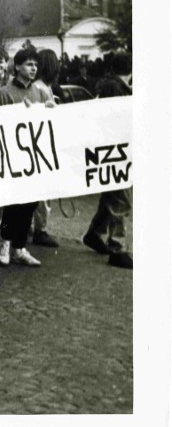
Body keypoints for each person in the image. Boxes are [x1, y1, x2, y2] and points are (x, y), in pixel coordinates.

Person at [0, 49, 54, 268]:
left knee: (30, 203)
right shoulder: (4, 93)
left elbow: (51, 120)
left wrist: (49, 110)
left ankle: (20, 247)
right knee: (14, 203)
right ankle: (5, 243)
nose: (33, 68)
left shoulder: (40, 92)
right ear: (17, 67)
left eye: (35, 65)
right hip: (13, 156)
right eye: (28, 64)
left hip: (35, 156)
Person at [82, 52, 133, 269]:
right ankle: (117, 247)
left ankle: (95, 234)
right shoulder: (116, 88)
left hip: (112, 150)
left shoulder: (111, 86)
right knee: (121, 199)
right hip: (115, 150)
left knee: (112, 196)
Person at [29, 49, 62, 249]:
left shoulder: (41, 87)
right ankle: (40, 229)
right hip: (42, 145)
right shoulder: (41, 88)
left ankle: (36, 226)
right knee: (43, 192)